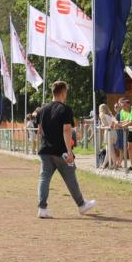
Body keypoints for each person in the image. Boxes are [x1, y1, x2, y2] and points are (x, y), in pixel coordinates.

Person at [37, 81, 96, 219]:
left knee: (44, 179)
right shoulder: (65, 109)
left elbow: (40, 130)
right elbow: (67, 130)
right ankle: (81, 205)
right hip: (61, 151)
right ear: (63, 92)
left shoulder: (42, 110)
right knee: (70, 178)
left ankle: (42, 208)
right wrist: (69, 151)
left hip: (45, 150)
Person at [98, 103, 120, 169]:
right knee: (108, 150)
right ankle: (104, 165)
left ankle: (115, 165)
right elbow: (115, 121)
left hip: (108, 132)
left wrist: (101, 126)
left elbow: (105, 125)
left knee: (111, 150)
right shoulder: (110, 114)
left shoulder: (102, 115)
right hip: (114, 132)